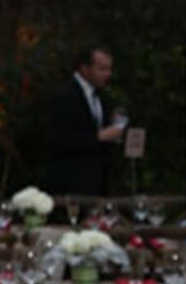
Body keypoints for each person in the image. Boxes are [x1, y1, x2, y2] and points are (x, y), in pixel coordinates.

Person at [43, 44, 125, 198]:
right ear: (84, 69)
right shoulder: (64, 96)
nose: (108, 74)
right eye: (102, 69)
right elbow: (58, 139)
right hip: (71, 186)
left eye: (109, 69)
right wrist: (98, 136)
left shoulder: (102, 96)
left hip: (98, 184)